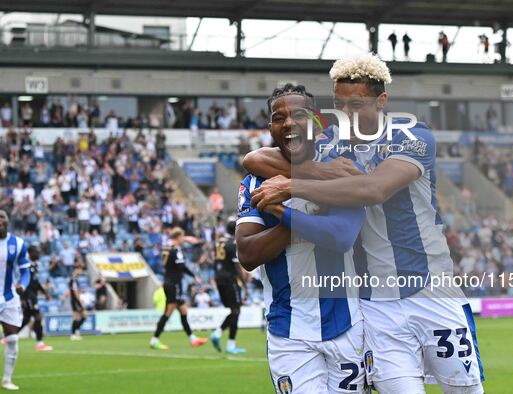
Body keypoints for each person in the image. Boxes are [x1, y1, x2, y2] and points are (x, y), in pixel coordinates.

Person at [244, 55, 485, 394]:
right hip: (374, 304)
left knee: (465, 391)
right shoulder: (330, 143)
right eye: (340, 104)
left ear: (381, 101)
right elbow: (255, 158)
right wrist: (315, 171)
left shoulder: (413, 137)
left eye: (357, 105)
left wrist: (292, 185)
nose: (347, 114)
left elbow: (375, 188)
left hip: (431, 291)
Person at [236, 84, 366, 393]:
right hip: (289, 331)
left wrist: (282, 210)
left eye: (299, 115)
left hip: (347, 324)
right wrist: (296, 218)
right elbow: (248, 254)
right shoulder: (255, 180)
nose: (289, 123)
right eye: (279, 117)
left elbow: (341, 236)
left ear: (317, 123)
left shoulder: (343, 169)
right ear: (271, 127)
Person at [150, 227, 208, 350]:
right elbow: (181, 266)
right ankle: (154, 340)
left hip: (169, 281)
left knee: (183, 310)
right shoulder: (176, 249)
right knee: (168, 311)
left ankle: (193, 339)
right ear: (178, 237)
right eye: (182, 238)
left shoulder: (166, 247)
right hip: (174, 284)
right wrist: (194, 275)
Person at [0, 210, 31, 390]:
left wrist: (23, 285)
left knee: (12, 339)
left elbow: (26, 270)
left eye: (2, 217)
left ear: (8, 221)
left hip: (9, 297)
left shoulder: (18, 244)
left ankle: (7, 380)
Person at [210, 221, 248, 354]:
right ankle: (218, 333)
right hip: (229, 279)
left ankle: (231, 345)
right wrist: (245, 286)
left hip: (219, 278)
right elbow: (237, 267)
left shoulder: (218, 242)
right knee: (236, 310)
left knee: (234, 310)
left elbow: (215, 261)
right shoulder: (232, 244)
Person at [17, 245, 53, 351]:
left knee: (26, 318)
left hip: (33, 295)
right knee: (38, 317)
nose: (38, 254)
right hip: (29, 296)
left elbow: (36, 283)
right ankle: (40, 343)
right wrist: (23, 298)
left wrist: (45, 292)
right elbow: (24, 283)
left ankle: (9, 336)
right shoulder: (27, 266)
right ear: (31, 253)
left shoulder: (34, 266)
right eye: (36, 252)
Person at [69, 264, 87, 341]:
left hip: (75, 300)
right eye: (79, 269)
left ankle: (76, 331)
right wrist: (79, 301)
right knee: (76, 317)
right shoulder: (74, 279)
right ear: (76, 270)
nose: (81, 271)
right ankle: (73, 334)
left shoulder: (74, 279)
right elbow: (75, 291)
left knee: (84, 316)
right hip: (75, 301)